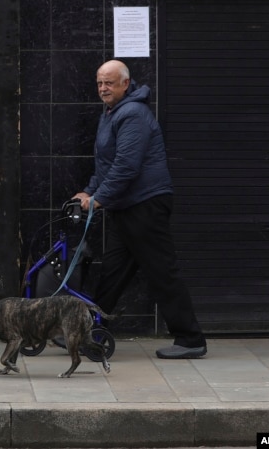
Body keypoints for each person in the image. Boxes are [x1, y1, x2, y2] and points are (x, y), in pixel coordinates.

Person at [72, 59, 207, 360]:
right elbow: (105, 162)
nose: (103, 88)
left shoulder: (132, 113)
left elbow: (126, 166)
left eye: (109, 82)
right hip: (128, 205)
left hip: (145, 203)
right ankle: (86, 330)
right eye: (99, 83)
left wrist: (98, 198)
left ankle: (190, 339)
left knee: (162, 271)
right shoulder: (111, 113)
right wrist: (90, 190)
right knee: (113, 272)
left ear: (125, 83)